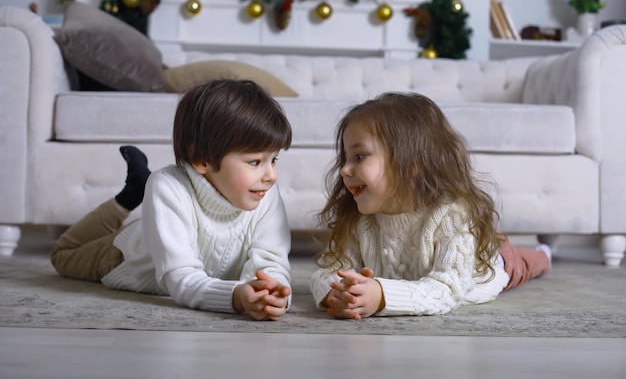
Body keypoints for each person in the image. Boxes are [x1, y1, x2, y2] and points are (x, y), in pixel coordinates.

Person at [51, 79, 293, 321]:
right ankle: (128, 197)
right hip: (125, 256)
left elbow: (273, 264)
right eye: (255, 162)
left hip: (161, 225)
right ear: (201, 159)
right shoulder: (167, 186)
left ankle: (138, 189)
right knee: (63, 255)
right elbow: (181, 277)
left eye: (274, 160)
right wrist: (235, 297)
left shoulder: (266, 194)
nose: (271, 175)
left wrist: (272, 291)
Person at [310, 92, 551, 320]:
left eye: (359, 156)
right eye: (345, 158)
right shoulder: (358, 219)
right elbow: (327, 271)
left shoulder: (451, 216)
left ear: (413, 163)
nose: (344, 169)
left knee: (526, 264)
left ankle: (544, 254)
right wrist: (338, 292)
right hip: (464, 245)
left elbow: (447, 288)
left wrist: (382, 296)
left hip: (491, 262)